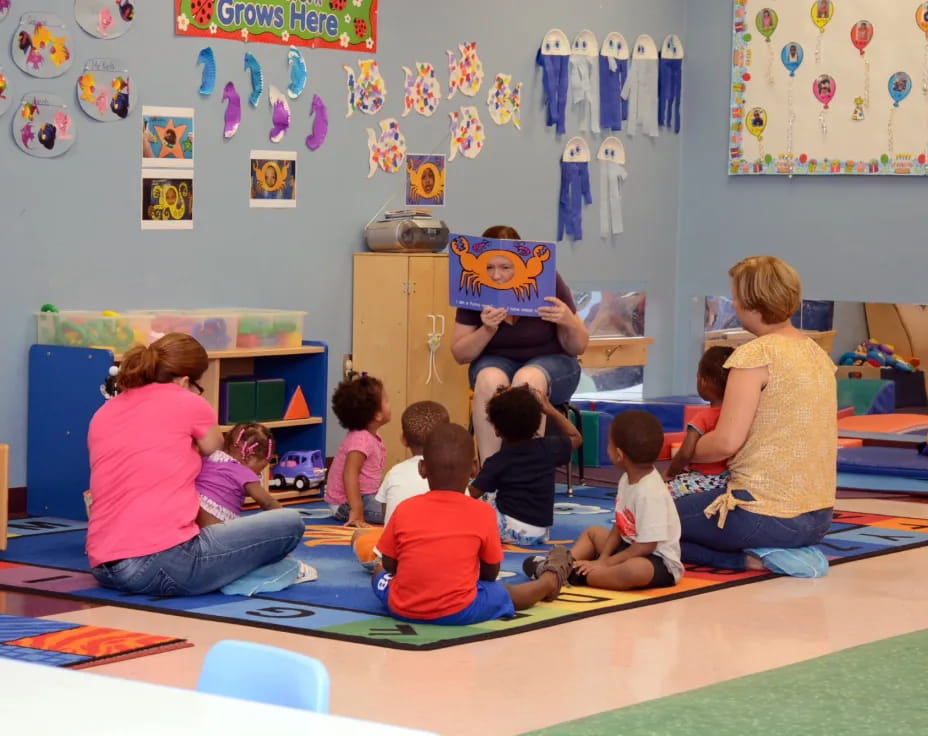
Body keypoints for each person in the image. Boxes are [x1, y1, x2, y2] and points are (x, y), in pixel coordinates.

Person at [86, 333, 306, 596]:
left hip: (104, 566)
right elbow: (214, 449)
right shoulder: (189, 402)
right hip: (163, 563)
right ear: (185, 381)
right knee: (289, 523)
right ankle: (242, 575)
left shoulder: (104, 412)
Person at [674, 256, 836, 572]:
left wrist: (682, 453)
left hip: (763, 513)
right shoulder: (817, 354)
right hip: (818, 518)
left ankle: (752, 558)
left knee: (642, 521)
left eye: (735, 295)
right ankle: (777, 551)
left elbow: (725, 443)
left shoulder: (755, 354)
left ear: (751, 302)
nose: (733, 303)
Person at [371, 423, 575, 625]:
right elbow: (490, 573)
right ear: (474, 469)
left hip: (402, 607)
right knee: (503, 591)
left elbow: (390, 564)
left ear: (422, 469)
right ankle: (548, 582)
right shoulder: (483, 512)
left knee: (378, 574)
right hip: (460, 610)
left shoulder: (405, 508)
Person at [451, 225, 590, 465]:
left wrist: (568, 321)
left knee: (528, 379)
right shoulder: (475, 290)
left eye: (505, 267)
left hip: (553, 363)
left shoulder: (548, 280)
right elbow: (460, 354)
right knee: (488, 380)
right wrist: (487, 330)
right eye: (489, 267)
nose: (496, 276)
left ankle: (527, 470)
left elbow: (579, 346)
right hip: (495, 360)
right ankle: (489, 472)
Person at [525, 410, 682, 590]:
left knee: (634, 570)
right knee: (593, 533)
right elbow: (620, 524)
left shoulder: (650, 492)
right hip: (629, 546)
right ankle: (562, 564)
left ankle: (571, 575)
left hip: (656, 560)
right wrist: (603, 558)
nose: (607, 448)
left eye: (609, 444)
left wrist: (606, 564)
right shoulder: (627, 478)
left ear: (619, 455)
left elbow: (646, 546)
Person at [468, 385, 582, 545]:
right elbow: (576, 437)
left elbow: (471, 494)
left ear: (497, 430)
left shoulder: (498, 461)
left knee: (475, 505)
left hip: (507, 529)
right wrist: (550, 410)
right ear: (537, 422)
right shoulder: (549, 448)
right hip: (541, 532)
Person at [352, 400, 450, 569]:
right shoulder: (456, 475)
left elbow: (387, 523)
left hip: (399, 560)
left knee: (359, 535)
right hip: (447, 557)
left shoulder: (395, 473)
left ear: (404, 439)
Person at [664, 346, 735, 498]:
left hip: (704, 480)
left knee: (660, 492)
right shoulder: (735, 415)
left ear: (702, 382)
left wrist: (670, 473)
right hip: (729, 479)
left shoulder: (703, 417)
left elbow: (685, 453)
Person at [324, 373, 390, 527]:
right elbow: (350, 473)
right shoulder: (361, 439)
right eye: (386, 401)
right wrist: (357, 508)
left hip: (365, 495)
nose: (389, 403)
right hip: (347, 503)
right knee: (394, 511)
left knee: (396, 502)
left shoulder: (369, 436)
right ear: (377, 415)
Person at [194, 422, 281, 526]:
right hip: (218, 531)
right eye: (262, 467)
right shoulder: (243, 472)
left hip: (193, 524)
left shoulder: (208, 459)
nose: (259, 473)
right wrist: (287, 518)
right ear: (249, 457)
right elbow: (267, 502)